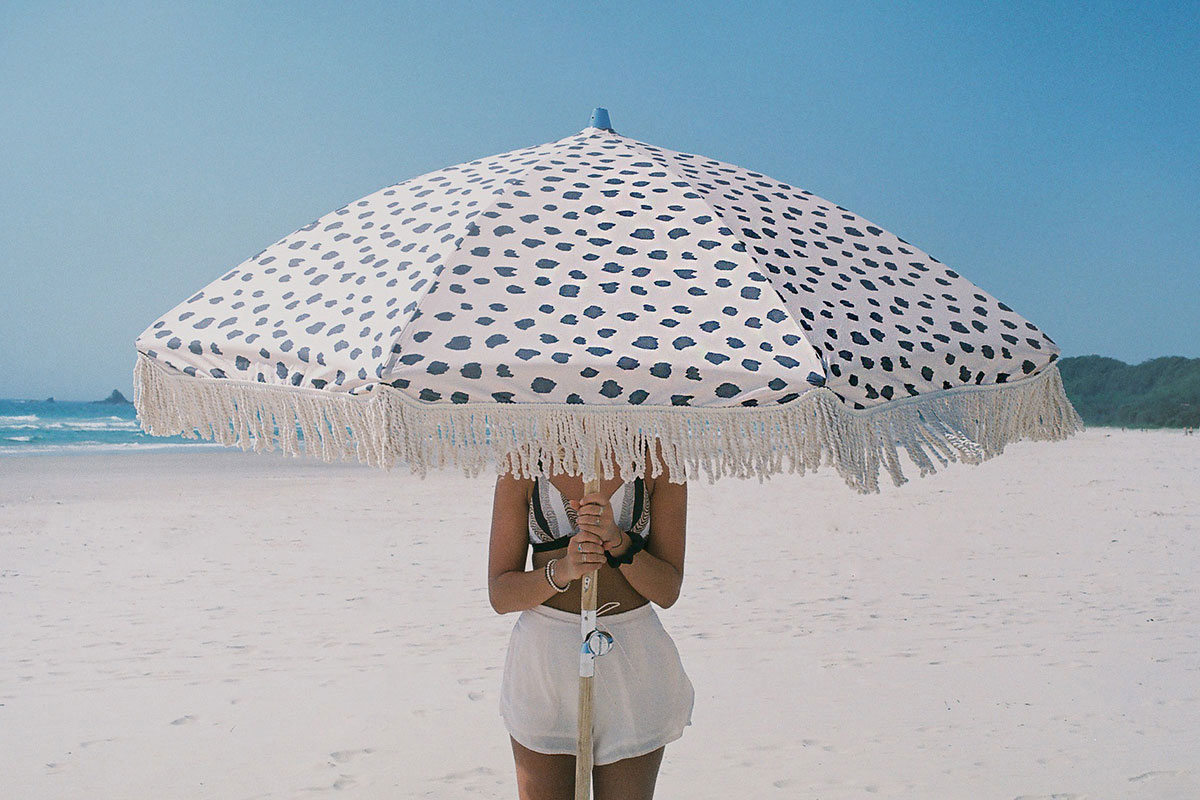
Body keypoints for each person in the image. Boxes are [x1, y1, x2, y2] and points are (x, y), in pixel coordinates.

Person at [488, 440, 694, 800]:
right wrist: (563, 570)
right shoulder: (523, 458)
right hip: (545, 664)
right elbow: (501, 594)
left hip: (633, 661)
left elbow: (667, 590)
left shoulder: (659, 458)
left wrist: (620, 543)